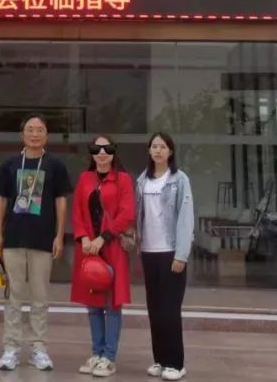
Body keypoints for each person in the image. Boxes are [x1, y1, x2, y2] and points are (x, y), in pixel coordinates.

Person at [0, 114, 73, 372]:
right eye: (30, 129)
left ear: (46, 135)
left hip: (43, 239)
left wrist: (59, 235)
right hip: (13, 238)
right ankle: (11, 349)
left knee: (40, 297)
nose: (35, 134)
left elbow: (61, 201)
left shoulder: (55, 165)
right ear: (22, 135)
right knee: (14, 296)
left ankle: (39, 348)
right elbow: (1, 199)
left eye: (40, 130)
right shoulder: (10, 164)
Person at [71, 135, 135, 378]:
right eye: (96, 148)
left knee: (112, 305)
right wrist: (84, 238)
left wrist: (103, 238)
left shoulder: (123, 179)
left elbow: (126, 214)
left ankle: (109, 357)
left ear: (113, 152)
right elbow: (78, 211)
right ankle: (96, 353)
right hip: (88, 248)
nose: (101, 153)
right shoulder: (85, 178)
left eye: (107, 148)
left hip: (112, 247)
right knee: (93, 304)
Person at [136, 132, 194, 381]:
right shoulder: (142, 180)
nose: (158, 150)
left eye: (163, 146)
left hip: (171, 252)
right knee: (155, 309)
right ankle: (160, 359)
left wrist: (181, 254)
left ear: (170, 151)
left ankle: (176, 364)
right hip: (149, 252)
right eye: (154, 146)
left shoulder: (179, 180)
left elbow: (185, 217)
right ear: (149, 151)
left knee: (170, 310)